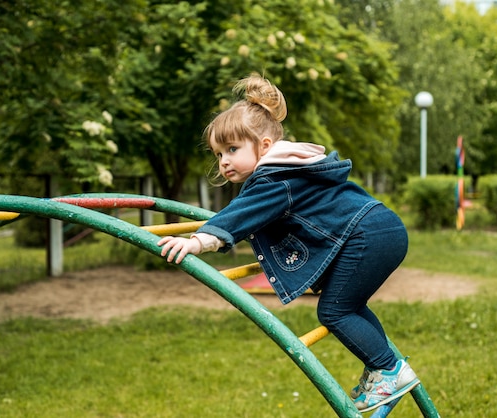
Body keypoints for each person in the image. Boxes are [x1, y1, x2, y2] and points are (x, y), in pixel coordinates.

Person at [157, 73, 420, 412]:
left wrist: (199, 241)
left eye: (232, 150)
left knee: (334, 310)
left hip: (367, 235)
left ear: (264, 146)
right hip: (382, 229)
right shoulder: (290, 171)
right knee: (348, 305)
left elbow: (239, 214)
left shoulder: (274, 178)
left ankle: (388, 369)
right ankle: (382, 369)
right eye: (218, 153)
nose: (223, 161)